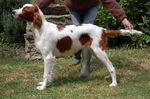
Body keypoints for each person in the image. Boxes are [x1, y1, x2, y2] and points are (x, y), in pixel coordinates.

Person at [35, 0, 134, 77]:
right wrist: (34, 8)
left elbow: (109, 1)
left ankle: (85, 64)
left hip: (91, 5)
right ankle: (77, 56)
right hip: (73, 6)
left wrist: (123, 18)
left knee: (87, 32)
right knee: (76, 30)